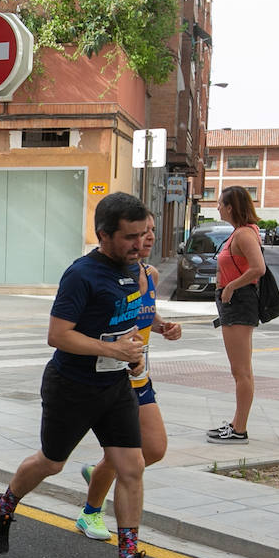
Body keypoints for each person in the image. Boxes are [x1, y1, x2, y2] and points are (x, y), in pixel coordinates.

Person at [0, 192, 169, 558]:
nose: (140, 244)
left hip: (115, 383)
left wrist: (133, 350)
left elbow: (126, 320)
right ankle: (4, 505)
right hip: (72, 386)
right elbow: (58, 335)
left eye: (143, 235)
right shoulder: (82, 275)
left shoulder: (132, 270)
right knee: (51, 463)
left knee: (132, 468)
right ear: (104, 235)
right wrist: (112, 349)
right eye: (130, 237)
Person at [75, 212, 182, 540]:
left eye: (151, 231)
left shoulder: (150, 274)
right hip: (113, 377)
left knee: (154, 448)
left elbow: (144, 312)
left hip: (140, 375)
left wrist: (162, 325)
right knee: (124, 456)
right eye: (142, 232)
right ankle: (91, 513)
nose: (148, 237)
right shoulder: (108, 275)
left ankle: (100, 473)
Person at [208, 186, 267, 445]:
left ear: (231, 207)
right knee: (241, 370)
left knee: (241, 371)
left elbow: (258, 268)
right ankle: (236, 423)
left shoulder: (244, 234)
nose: (218, 207)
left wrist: (231, 286)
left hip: (239, 303)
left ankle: (239, 429)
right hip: (235, 302)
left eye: (220, 203)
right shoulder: (241, 233)